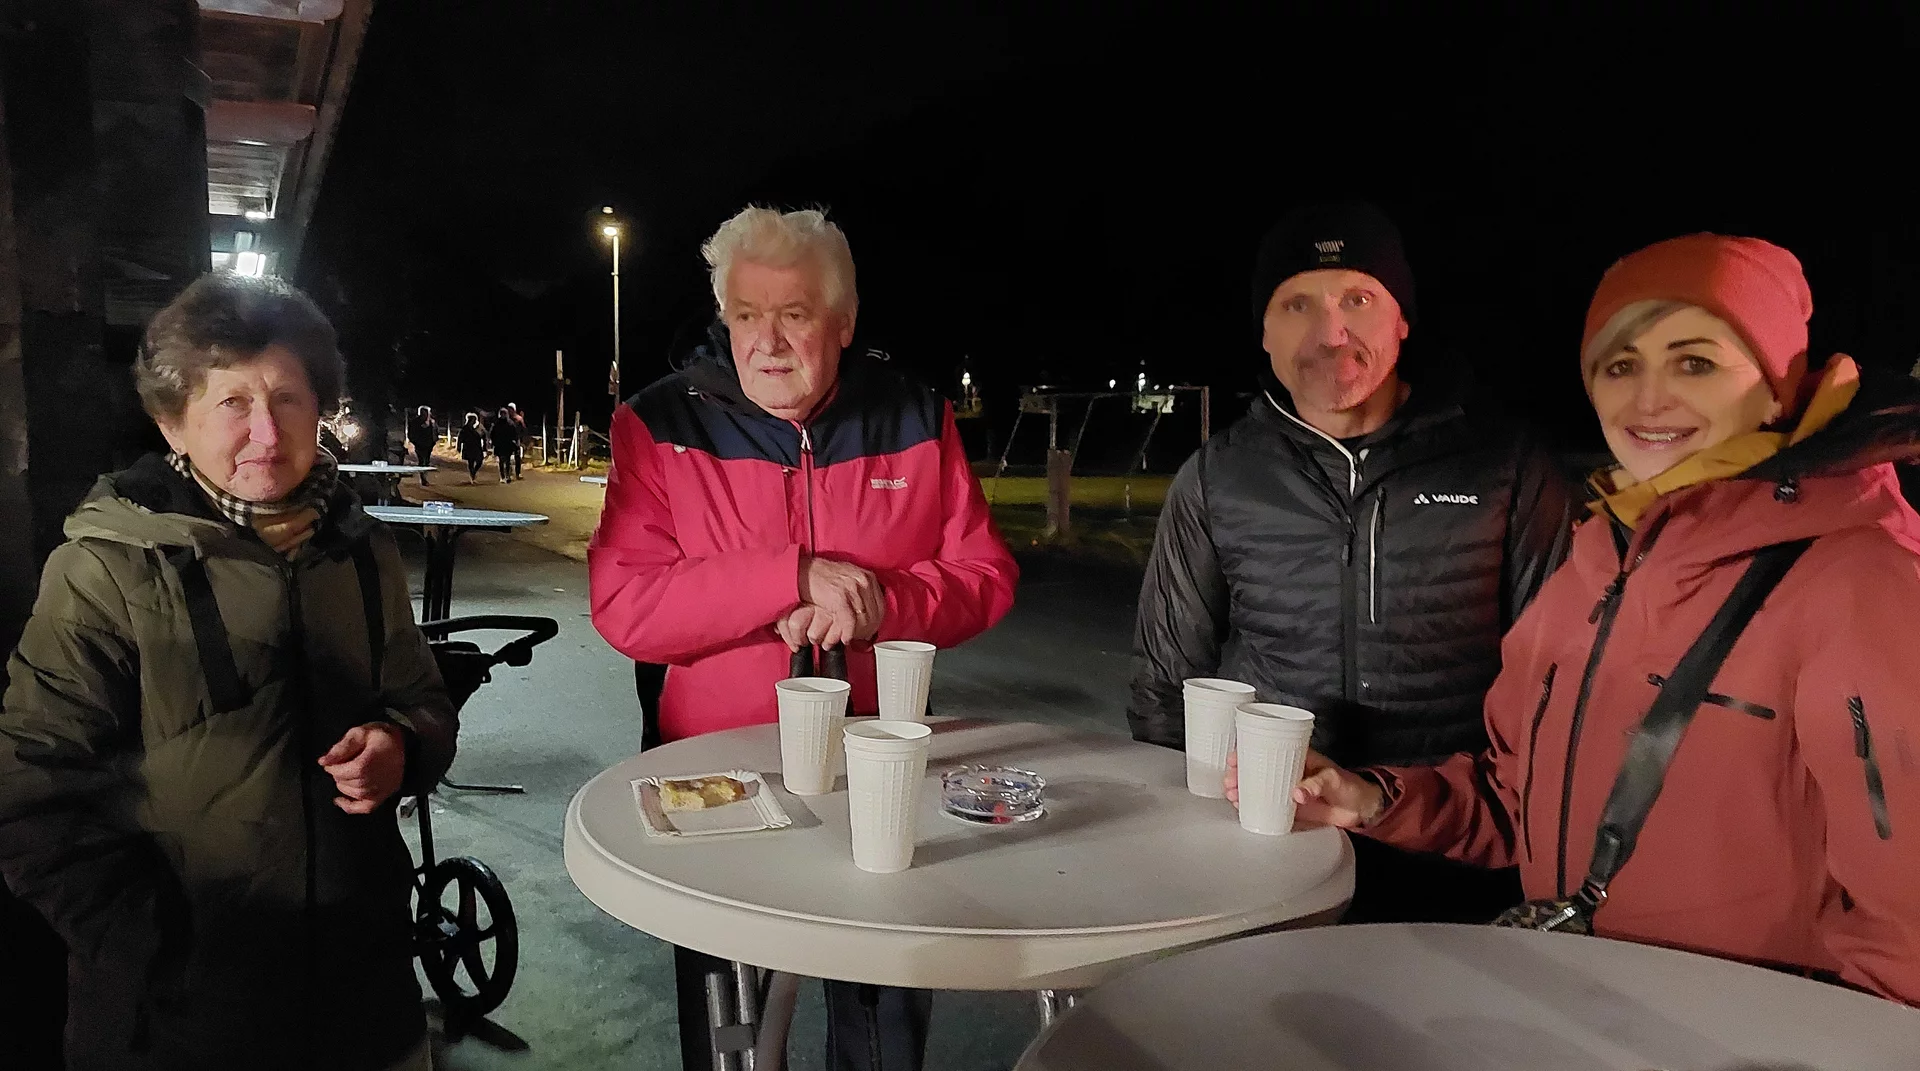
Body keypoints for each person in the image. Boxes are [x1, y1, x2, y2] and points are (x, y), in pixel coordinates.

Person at [1268, 234, 1920, 1005]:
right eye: (1620, 365)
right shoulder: (1599, 558)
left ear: (1778, 385)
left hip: (1731, 1038)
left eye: (1695, 362)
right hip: (1578, 1008)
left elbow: (1905, 944)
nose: (1648, 399)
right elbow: (1516, 800)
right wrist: (1372, 799)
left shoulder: (1861, 583)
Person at [590, 205, 1018, 1071]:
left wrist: (883, 602)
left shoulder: (916, 417)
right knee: (735, 1042)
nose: (768, 341)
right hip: (714, 782)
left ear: (845, 321)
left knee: (881, 1028)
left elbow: (987, 576)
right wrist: (785, 577)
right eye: (746, 314)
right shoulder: (660, 425)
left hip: (881, 772)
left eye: (794, 314)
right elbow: (625, 603)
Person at [0, 272, 458, 1068]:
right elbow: (33, 793)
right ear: (171, 423)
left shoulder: (362, 549)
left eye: (287, 398)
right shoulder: (107, 568)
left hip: (366, 991)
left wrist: (402, 743)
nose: (267, 433)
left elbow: (424, 699)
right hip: (182, 1021)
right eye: (232, 403)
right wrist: (161, 953)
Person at [1128, 200, 1574, 924]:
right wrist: (1189, 833)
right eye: (1297, 304)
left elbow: (1563, 688)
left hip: (1458, 858)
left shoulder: (1510, 467)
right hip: (1274, 849)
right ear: (1264, 332)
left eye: (1358, 299)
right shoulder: (1217, 477)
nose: (1331, 332)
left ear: (1403, 320)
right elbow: (1163, 685)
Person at [408, 405, 438, 484]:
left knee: (427, 461)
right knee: (421, 461)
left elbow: (435, 432)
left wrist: (434, 441)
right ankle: (423, 478)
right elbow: (411, 433)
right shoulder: (415, 422)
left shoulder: (431, 422)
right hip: (419, 444)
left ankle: (424, 476)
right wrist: (414, 441)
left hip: (429, 444)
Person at [490, 406, 519, 483]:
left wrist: (515, 441)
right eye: (502, 413)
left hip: (507, 444)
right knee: (501, 461)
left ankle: (507, 476)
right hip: (499, 444)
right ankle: (502, 476)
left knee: (508, 461)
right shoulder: (496, 423)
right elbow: (492, 434)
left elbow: (514, 433)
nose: (503, 415)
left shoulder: (510, 423)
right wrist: (493, 442)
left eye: (504, 413)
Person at [459, 410, 487, 483]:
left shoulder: (478, 427)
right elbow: (460, 437)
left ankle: (473, 472)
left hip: (477, 447)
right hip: (469, 447)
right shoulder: (465, 428)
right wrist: (459, 446)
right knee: (471, 462)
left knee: (479, 461)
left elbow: (484, 436)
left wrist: (484, 447)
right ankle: (472, 476)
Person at [505, 402, 527, 479]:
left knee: (517, 457)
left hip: (516, 439)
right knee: (507, 457)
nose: (509, 410)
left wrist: (522, 440)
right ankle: (508, 473)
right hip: (508, 440)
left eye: (511, 409)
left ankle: (518, 473)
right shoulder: (506, 419)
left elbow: (524, 429)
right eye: (508, 409)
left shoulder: (519, 419)